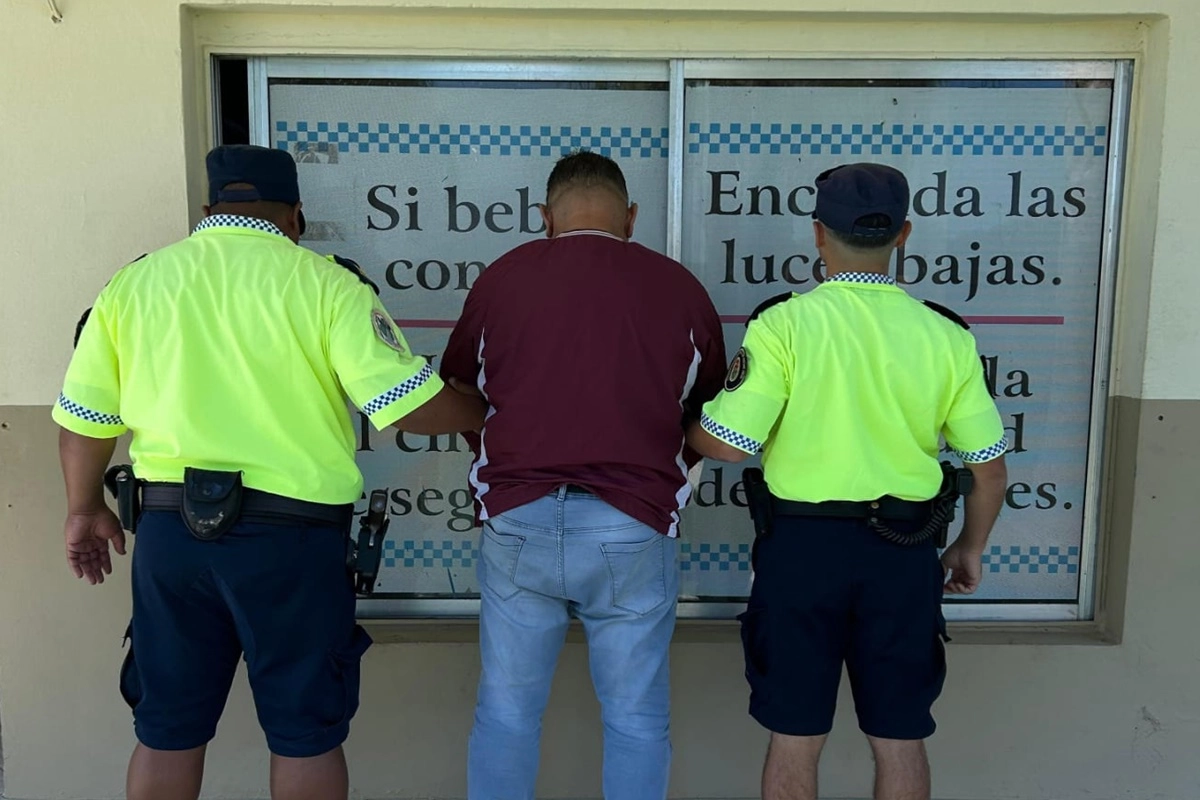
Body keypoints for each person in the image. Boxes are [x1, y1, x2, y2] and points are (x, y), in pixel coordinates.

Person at [52, 144, 487, 800]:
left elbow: (84, 420)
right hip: (292, 543)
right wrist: (481, 410)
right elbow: (408, 406)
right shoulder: (326, 284)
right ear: (297, 217)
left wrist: (83, 508)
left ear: (208, 211)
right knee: (304, 731)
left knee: (166, 728)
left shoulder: (133, 285)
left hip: (170, 537)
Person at [685, 163, 1009, 800]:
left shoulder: (783, 324)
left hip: (802, 554)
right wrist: (968, 548)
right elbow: (990, 470)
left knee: (794, 736)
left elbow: (726, 444)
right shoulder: (946, 335)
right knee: (900, 737)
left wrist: (681, 428)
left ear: (817, 235)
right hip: (906, 552)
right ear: (904, 234)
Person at [440, 151, 727, 800]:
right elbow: (711, 412)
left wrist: (500, 469)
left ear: (545, 217)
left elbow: (459, 387)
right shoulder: (678, 287)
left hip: (519, 515)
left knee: (507, 714)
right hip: (633, 520)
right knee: (635, 720)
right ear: (630, 215)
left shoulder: (503, 280)